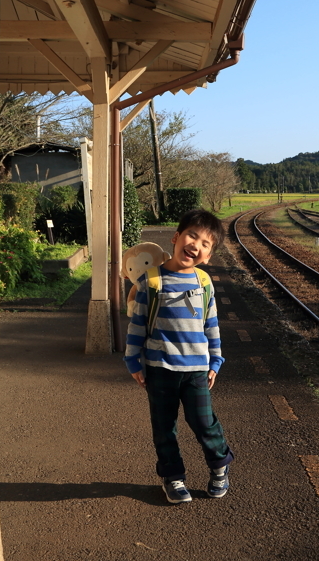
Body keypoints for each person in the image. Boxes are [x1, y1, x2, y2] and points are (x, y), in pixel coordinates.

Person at [123, 209, 234, 504]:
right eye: (192, 235)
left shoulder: (204, 283)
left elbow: (211, 324)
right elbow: (137, 325)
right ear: (176, 238)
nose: (196, 245)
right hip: (159, 368)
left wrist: (216, 360)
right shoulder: (152, 281)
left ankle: (219, 465)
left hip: (197, 369)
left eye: (206, 244)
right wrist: (133, 360)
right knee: (164, 427)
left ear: (208, 256)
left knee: (203, 422)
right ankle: (173, 477)